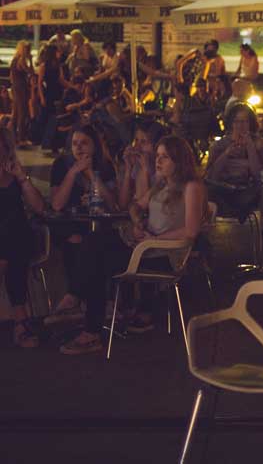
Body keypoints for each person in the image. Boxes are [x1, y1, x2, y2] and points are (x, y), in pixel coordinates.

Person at [59, 136, 207, 353]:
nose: (158, 161)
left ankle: (83, 314)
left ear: (179, 160)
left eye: (165, 157)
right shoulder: (161, 184)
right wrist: (138, 222)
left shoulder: (191, 186)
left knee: (97, 259)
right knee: (95, 241)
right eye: (158, 156)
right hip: (146, 248)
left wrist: (154, 239)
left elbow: (191, 230)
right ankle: (84, 315)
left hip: (166, 255)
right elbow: (135, 206)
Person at [44, 126, 119, 328]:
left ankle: (75, 296)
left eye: (84, 143)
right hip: (68, 225)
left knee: (90, 243)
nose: (78, 148)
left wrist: (91, 175)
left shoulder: (105, 166)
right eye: (75, 143)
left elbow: (113, 205)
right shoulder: (62, 164)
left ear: (95, 146)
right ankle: (87, 304)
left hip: (98, 226)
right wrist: (73, 173)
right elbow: (56, 204)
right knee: (75, 239)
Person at [0, 128, 44, 347]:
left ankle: (19, 324)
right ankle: (20, 323)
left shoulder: (15, 174)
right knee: (12, 249)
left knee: (14, 238)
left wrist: (22, 178)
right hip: (12, 243)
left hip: (19, 239)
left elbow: (39, 207)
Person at [205, 103, 263, 220]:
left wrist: (250, 146)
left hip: (249, 190)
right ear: (231, 123)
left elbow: (259, 176)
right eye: (236, 121)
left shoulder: (260, 144)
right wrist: (226, 154)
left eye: (245, 121)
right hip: (222, 189)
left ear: (250, 123)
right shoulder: (219, 145)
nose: (240, 126)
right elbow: (211, 176)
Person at [118, 120, 168, 211]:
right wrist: (128, 169)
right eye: (136, 140)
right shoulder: (138, 165)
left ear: (157, 146)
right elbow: (122, 205)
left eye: (143, 142)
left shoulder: (165, 171)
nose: (137, 147)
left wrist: (145, 170)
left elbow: (144, 210)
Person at [38, 41, 67, 153]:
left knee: (56, 118)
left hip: (57, 92)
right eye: (57, 51)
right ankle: (47, 142)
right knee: (47, 118)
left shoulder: (58, 66)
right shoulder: (44, 66)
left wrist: (72, 86)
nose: (59, 53)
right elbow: (40, 83)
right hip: (49, 93)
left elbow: (61, 80)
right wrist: (42, 97)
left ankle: (54, 144)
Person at [9, 40, 33, 146]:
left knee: (15, 113)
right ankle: (21, 138)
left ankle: (13, 136)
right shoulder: (21, 60)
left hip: (15, 87)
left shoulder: (14, 59)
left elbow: (11, 76)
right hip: (21, 88)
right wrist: (31, 61)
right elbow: (31, 72)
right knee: (22, 112)